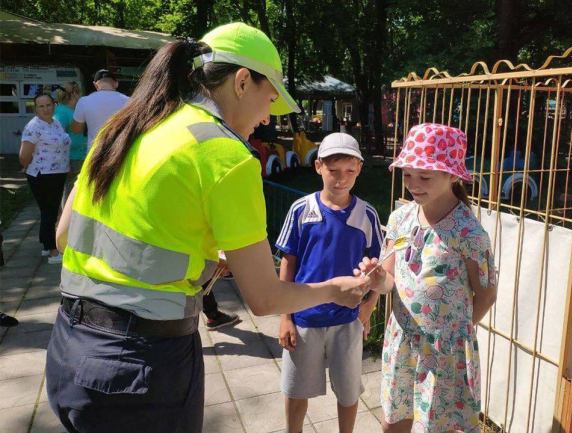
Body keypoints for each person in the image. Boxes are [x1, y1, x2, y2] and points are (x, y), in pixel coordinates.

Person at [48, 22, 369, 433]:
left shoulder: (124, 126)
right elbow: (265, 299)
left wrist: (194, 251)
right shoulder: (225, 155)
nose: (267, 117)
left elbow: (65, 237)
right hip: (139, 370)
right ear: (242, 82)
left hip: (68, 347)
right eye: (270, 99)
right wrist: (335, 290)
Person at [357, 123, 498, 433]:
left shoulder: (469, 233)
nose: (413, 185)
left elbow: (487, 295)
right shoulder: (400, 218)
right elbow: (390, 279)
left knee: (434, 426)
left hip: (443, 355)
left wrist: (453, 334)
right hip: (402, 343)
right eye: (407, 174)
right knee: (392, 422)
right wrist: (376, 280)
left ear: (452, 176)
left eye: (424, 177)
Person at [275, 133, 383, 433]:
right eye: (333, 170)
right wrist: (285, 317)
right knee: (296, 391)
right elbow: (288, 263)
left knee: (348, 392)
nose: (341, 178)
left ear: (359, 169)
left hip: (347, 321)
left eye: (349, 170)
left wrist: (370, 306)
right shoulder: (301, 210)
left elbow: (379, 267)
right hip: (304, 319)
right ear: (318, 166)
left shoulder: (367, 214)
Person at [19, 93, 70, 264]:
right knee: (49, 212)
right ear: (35, 109)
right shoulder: (33, 127)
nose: (46, 109)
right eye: (41, 106)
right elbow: (24, 155)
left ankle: (45, 245)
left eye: (48, 105)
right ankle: (53, 252)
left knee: (50, 211)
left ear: (54, 105)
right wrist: (27, 166)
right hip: (42, 175)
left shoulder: (56, 123)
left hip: (58, 173)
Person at [70, 69, 129, 150]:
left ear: (95, 85)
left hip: (95, 153)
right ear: (116, 83)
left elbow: (76, 129)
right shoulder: (129, 101)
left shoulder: (84, 101)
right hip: (120, 152)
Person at [54, 82, 88, 206]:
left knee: (78, 191)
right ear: (74, 94)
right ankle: (66, 217)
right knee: (69, 191)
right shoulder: (62, 112)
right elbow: (57, 138)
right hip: (71, 158)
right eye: (79, 92)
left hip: (80, 156)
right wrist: (64, 160)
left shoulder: (71, 110)